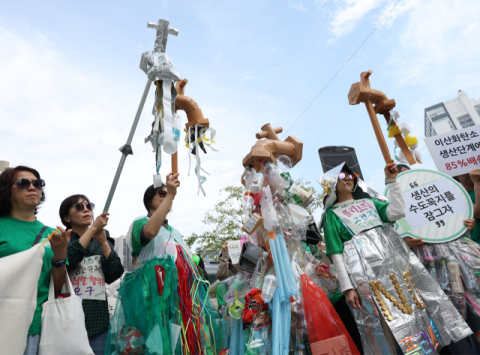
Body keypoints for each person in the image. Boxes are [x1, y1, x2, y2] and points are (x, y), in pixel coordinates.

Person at [320, 160, 473, 354]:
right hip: (365, 272)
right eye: (341, 176)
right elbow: (336, 252)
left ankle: (431, 347)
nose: (348, 179)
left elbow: (396, 212)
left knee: (416, 309)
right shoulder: (331, 215)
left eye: (350, 175)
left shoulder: (369, 202)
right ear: (332, 184)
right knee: (388, 321)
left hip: (394, 264)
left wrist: (392, 182)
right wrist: (348, 287)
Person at [0, 166, 70, 355]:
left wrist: (60, 255)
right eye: (23, 183)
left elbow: (56, 285)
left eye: (38, 184)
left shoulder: (52, 234)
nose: (33, 188)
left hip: (39, 327)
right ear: (7, 190)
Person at [60, 194, 124, 355]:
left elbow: (115, 273)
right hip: (67, 321)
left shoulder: (101, 240)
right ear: (67, 217)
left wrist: (103, 242)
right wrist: (94, 229)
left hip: (98, 324)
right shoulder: (62, 239)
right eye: (79, 207)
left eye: (89, 206)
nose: (86, 210)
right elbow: (69, 260)